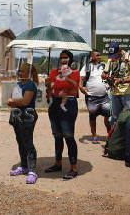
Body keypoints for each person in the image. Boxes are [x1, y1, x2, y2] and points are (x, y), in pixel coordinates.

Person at [44, 50, 80, 180]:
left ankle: (73, 168)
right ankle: (57, 163)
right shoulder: (53, 73)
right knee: (57, 136)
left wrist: (56, 84)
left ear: (70, 60)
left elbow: (72, 88)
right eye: (61, 58)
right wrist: (48, 86)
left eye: (65, 58)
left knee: (69, 136)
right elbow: (50, 93)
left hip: (68, 105)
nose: (63, 60)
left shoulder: (75, 73)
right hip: (54, 105)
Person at [7, 63, 39, 184]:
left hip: (28, 116)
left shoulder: (30, 84)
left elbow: (25, 102)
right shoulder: (19, 84)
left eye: (22, 71)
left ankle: (32, 171)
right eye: (19, 71)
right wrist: (14, 101)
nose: (20, 73)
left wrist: (14, 101)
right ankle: (24, 167)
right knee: (20, 142)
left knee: (28, 143)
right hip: (17, 116)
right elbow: (11, 100)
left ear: (29, 73)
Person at [102, 42, 130, 126]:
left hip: (128, 92)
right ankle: (115, 138)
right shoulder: (111, 59)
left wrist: (121, 80)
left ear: (120, 51)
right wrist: (108, 77)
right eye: (112, 56)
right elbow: (103, 74)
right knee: (114, 118)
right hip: (115, 92)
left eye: (115, 55)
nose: (114, 58)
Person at [79, 49, 111, 144]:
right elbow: (81, 81)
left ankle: (110, 135)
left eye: (100, 55)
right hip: (91, 98)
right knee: (92, 117)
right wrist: (81, 88)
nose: (99, 57)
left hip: (104, 97)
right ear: (92, 57)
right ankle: (94, 135)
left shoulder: (104, 66)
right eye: (97, 55)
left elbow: (109, 77)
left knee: (109, 116)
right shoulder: (87, 67)